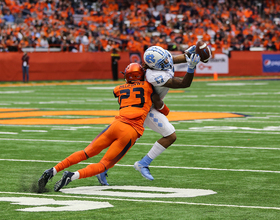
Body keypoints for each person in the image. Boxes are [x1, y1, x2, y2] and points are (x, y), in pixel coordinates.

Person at [38, 63, 167, 192]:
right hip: (130, 131)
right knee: (104, 164)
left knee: (86, 152)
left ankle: (53, 170)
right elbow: (164, 110)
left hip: (115, 125)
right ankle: (72, 176)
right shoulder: (148, 87)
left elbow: (124, 93)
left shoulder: (119, 88)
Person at [96, 45, 200, 185]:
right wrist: (191, 67)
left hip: (147, 107)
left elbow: (173, 59)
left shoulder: (160, 61)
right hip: (146, 110)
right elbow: (183, 83)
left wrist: (191, 53)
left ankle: (106, 168)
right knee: (168, 136)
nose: (167, 62)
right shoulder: (154, 76)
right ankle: (140, 164)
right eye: (163, 62)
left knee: (126, 143)